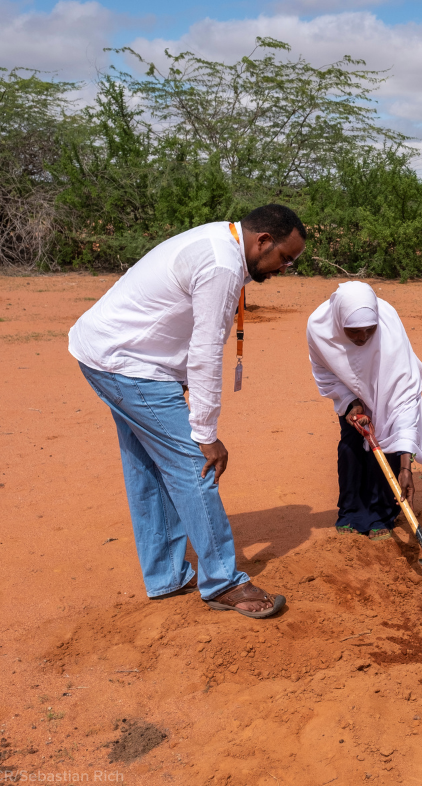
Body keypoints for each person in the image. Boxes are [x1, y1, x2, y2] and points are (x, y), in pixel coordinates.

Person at [69, 204, 306, 619]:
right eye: (285, 256)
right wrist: (205, 433)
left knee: (147, 464)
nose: (286, 266)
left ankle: (166, 576)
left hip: (110, 353)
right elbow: (205, 352)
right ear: (262, 240)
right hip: (128, 363)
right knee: (193, 465)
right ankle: (222, 582)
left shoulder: (224, 241)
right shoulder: (222, 264)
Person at [307, 281, 422, 541]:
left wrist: (406, 467)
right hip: (349, 395)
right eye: (353, 331)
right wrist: (351, 402)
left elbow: (405, 398)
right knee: (350, 450)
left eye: (369, 330)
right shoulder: (319, 328)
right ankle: (351, 511)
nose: (362, 337)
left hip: (389, 393)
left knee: (387, 447)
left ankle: (381, 513)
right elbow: (325, 373)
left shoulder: (390, 330)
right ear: (339, 321)